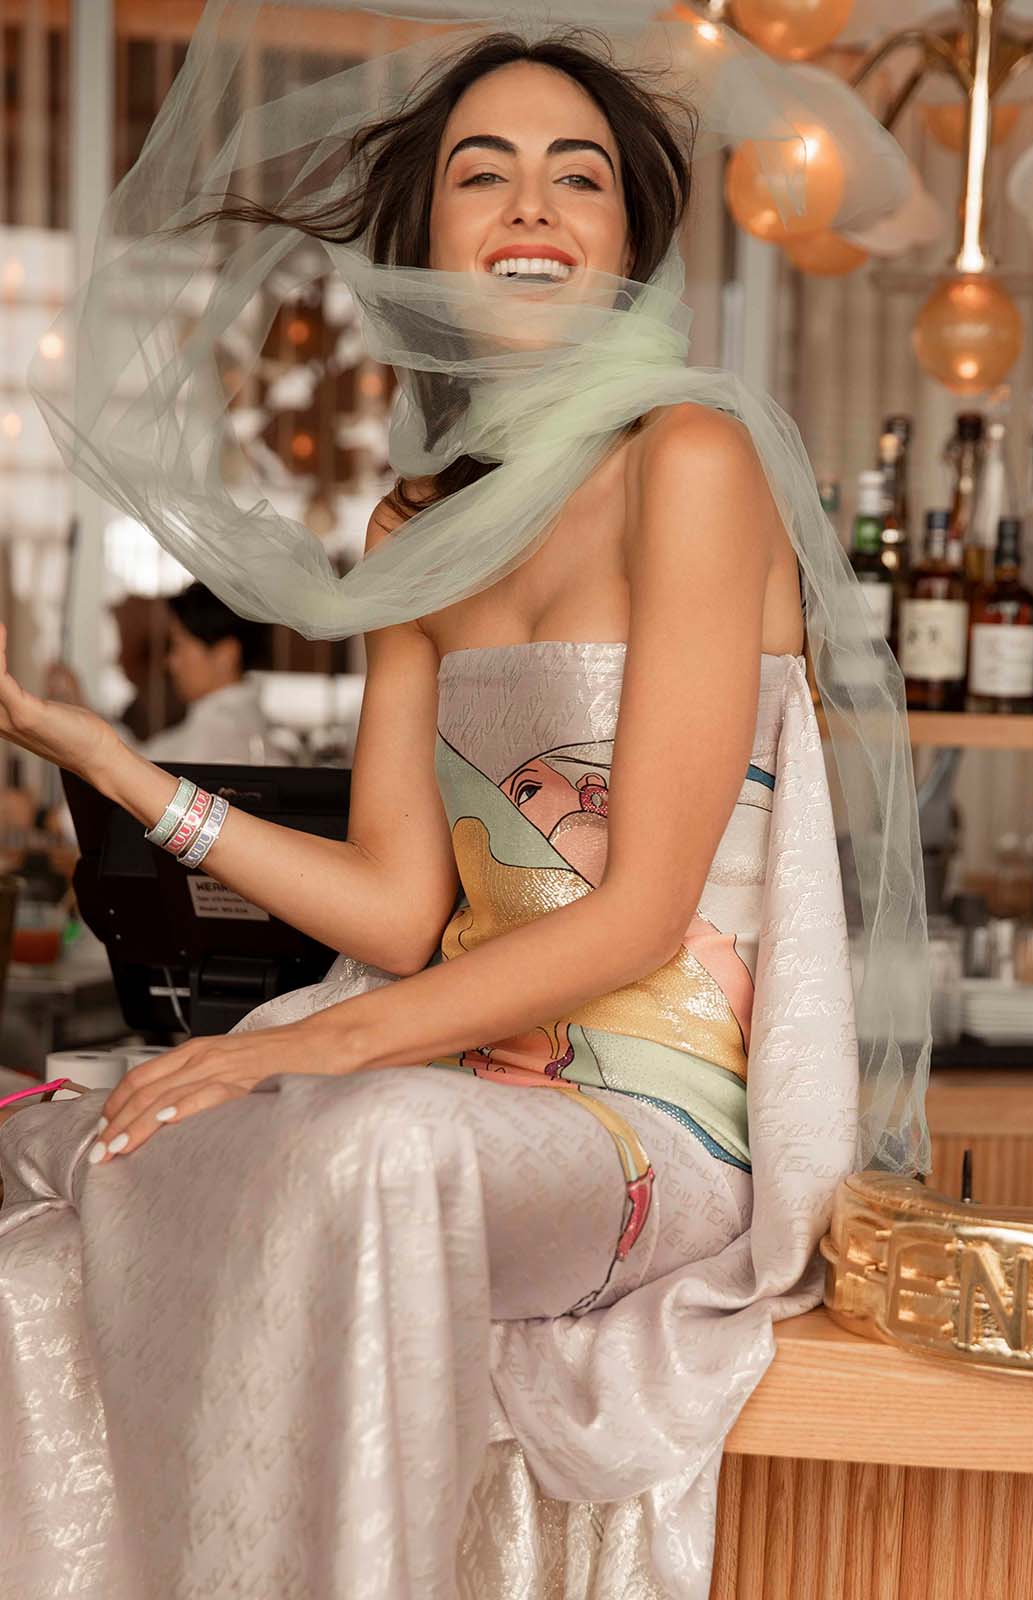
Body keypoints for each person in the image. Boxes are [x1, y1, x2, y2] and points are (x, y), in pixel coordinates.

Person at [0, 13, 929, 1598]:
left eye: (580, 177)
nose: (532, 207)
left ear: (631, 239)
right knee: (74, 1147)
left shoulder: (690, 459)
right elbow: (399, 908)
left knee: (370, 1146)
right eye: (482, 174)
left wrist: (303, 1045)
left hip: (654, 1130)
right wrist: (116, 769)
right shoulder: (411, 524)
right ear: (425, 234)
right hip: (458, 1084)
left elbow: (641, 912)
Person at [46, 582, 282, 764]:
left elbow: (135, 778)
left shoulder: (221, 734)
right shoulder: (230, 722)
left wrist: (42, 816)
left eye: (178, 646)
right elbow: (142, 762)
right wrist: (80, 706)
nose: (170, 662)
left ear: (225, 655)